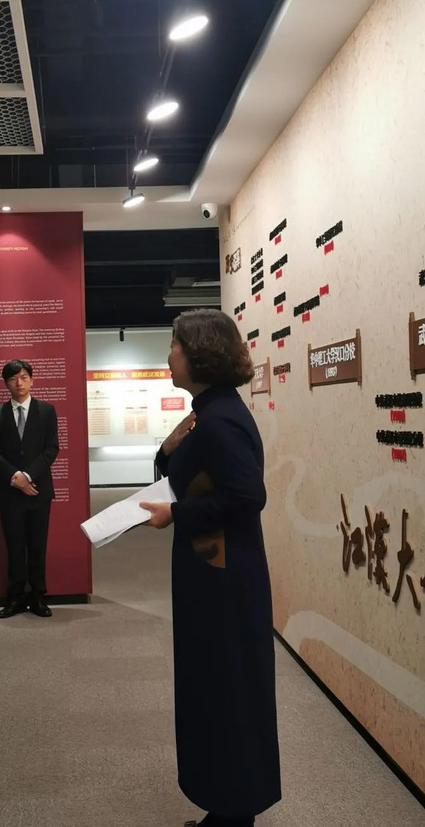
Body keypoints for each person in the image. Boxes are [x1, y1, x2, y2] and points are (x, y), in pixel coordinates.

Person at [140, 309, 281, 827]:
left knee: (229, 691)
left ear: (200, 353)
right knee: (213, 688)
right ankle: (224, 809)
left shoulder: (220, 418)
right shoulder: (206, 411)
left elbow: (247, 497)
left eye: (175, 345)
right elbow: (191, 472)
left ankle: (235, 813)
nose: (169, 355)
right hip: (210, 571)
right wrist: (168, 448)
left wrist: (177, 515)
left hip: (226, 581)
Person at [0, 359, 59, 618]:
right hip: (10, 492)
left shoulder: (47, 410)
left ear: (32, 380)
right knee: (15, 546)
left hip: (39, 489)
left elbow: (51, 449)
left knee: (38, 545)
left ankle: (38, 596)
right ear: (6, 383)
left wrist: (28, 476)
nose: (19, 383)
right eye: (13, 378)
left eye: (24, 377)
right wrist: (15, 477)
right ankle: (15, 597)